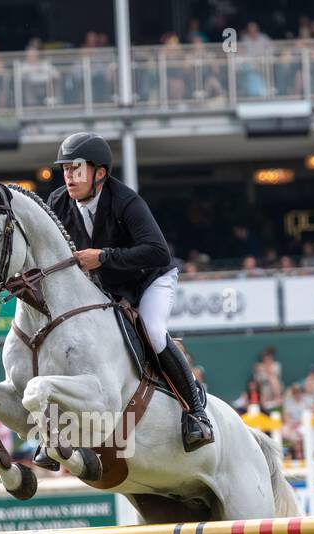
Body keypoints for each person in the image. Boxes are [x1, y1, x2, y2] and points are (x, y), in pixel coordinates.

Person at [47, 131, 214, 451]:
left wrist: (103, 257)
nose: (69, 177)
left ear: (100, 173)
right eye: (66, 169)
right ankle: (54, 430)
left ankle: (196, 413)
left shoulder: (126, 201)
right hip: (105, 286)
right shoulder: (58, 203)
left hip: (150, 279)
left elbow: (158, 252)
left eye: (76, 169)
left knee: (151, 331)